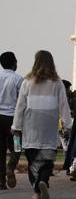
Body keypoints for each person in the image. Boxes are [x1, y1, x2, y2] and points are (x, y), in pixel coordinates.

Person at [12, 50, 72, 199]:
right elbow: (64, 105)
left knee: (33, 161)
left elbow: (20, 106)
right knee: (47, 159)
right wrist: (67, 126)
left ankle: (36, 192)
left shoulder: (27, 82)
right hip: (49, 128)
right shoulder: (57, 83)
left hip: (31, 127)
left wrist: (16, 127)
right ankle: (43, 181)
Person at [0, 51, 23, 189]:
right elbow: (23, 101)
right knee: (17, 147)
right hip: (13, 120)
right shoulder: (18, 79)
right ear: (14, 63)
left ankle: (1, 181)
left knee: (0, 151)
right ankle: (11, 166)